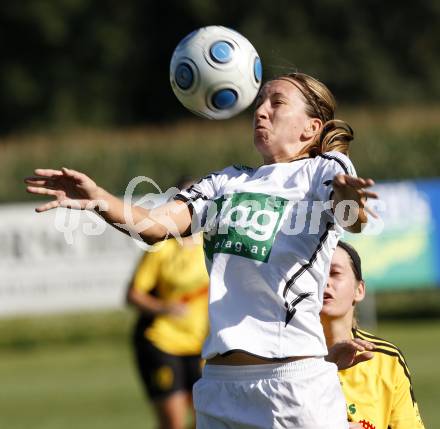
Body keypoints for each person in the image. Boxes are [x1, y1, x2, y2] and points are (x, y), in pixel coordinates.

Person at [25, 71, 378, 429]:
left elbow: (351, 217)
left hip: (293, 385)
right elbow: (155, 227)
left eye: (277, 103)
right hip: (220, 388)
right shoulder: (225, 181)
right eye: (259, 103)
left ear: (311, 128)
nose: (261, 112)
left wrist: (350, 195)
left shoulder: (323, 170)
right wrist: (99, 199)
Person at [127, 177, 209, 429]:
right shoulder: (161, 248)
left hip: (201, 346)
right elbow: (133, 294)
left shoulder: (211, 243)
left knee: (206, 419)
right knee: (172, 423)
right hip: (163, 341)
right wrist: (165, 308)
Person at [321, 241, 425, 429]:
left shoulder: (387, 359)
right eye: (316, 273)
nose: (324, 281)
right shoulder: (279, 357)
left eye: (334, 273)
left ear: (359, 290)